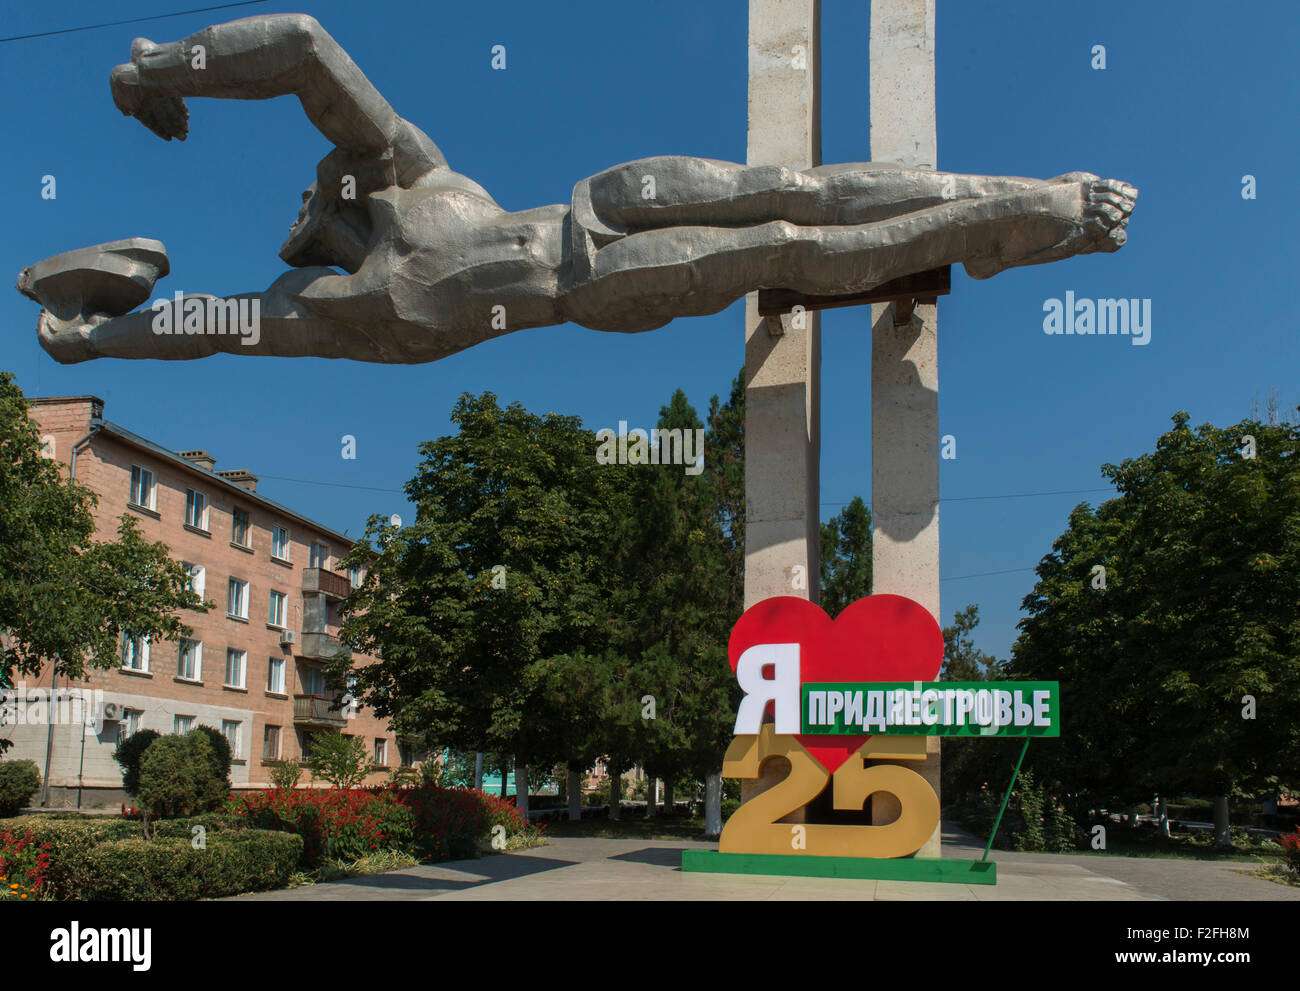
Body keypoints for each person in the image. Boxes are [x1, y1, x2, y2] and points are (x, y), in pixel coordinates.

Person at [23, 14, 1136, 365]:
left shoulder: (420, 184)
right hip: (596, 283)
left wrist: (157, 72)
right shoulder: (347, 313)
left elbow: (309, 48)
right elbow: (210, 327)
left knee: (790, 187)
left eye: (321, 198)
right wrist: (92, 341)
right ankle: (1027, 220)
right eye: (311, 222)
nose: (321, 210)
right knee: (789, 244)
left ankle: (1024, 197)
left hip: (592, 202)